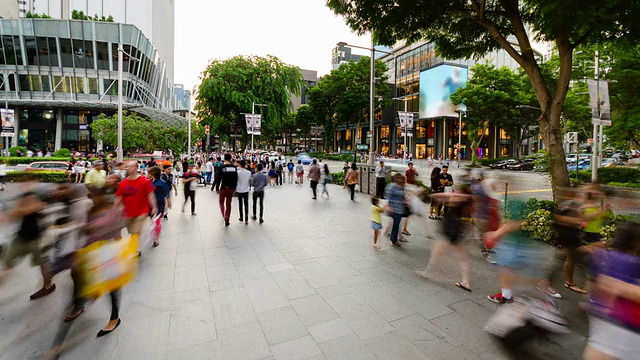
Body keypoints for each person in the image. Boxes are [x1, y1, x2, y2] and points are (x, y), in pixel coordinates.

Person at [583, 221, 640, 360]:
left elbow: (591, 287)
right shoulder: (635, 263)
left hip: (602, 325)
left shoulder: (602, 256)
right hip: (628, 329)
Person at [0, 186, 54, 299]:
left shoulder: (38, 201)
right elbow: (15, 214)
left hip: (37, 240)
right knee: (8, 263)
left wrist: (19, 208)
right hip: (21, 238)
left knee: (42, 263)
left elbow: (32, 208)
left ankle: (48, 285)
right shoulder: (25, 198)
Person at [416, 187, 474, 292]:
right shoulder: (465, 201)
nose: (455, 192)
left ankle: (428, 271)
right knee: (462, 258)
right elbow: (438, 197)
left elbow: (438, 196)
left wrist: (455, 195)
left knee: (436, 253)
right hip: (457, 230)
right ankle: (465, 281)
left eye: (458, 191)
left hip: (450, 231)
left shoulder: (458, 200)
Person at [113, 161, 157, 246]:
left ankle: (135, 248)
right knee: (131, 230)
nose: (128, 168)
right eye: (127, 167)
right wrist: (114, 210)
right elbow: (118, 198)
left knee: (135, 231)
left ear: (137, 168)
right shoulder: (122, 183)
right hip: (128, 212)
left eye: (131, 166)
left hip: (142, 211)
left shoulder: (144, 181)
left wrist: (154, 207)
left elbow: (150, 194)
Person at [149, 166, 171, 247]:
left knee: (157, 221)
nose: (148, 174)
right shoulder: (148, 182)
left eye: (149, 173)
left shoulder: (162, 183)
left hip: (159, 204)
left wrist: (169, 202)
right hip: (150, 205)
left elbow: (167, 193)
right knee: (152, 221)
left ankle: (156, 239)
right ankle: (154, 233)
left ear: (153, 174)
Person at [384, 173, 406, 247]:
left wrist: (405, 201)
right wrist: (387, 205)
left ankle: (392, 236)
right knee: (396, 224)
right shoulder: (391, 186)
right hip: (393, 208)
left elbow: (403, 196)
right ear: (395, 179)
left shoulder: (402, 187)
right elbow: (387, 196)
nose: (400, 179)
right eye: (398, 178)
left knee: (397, 224)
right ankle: (394, 239)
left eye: (401, 178)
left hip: (400, 208)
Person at [219, 153, 238, 226]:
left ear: (224, 158)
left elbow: (218, 178)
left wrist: (217, 187)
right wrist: (234, 187)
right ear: (230, 159)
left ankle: (224, 215)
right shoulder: (234, 168)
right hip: (231, 188)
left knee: (221, 202)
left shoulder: (222, 167)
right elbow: (236, 179)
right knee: (228, 204)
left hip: (223, 187)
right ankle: (227, 216)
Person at [236, 160, 252, 224]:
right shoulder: (249, 172)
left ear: (240, 165)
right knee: (246, 204)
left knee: (240, 204)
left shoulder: (237, 172)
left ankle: (241, 217)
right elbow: (250, 181)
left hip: (239, 189)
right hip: (246, 189)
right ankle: (246, 218)